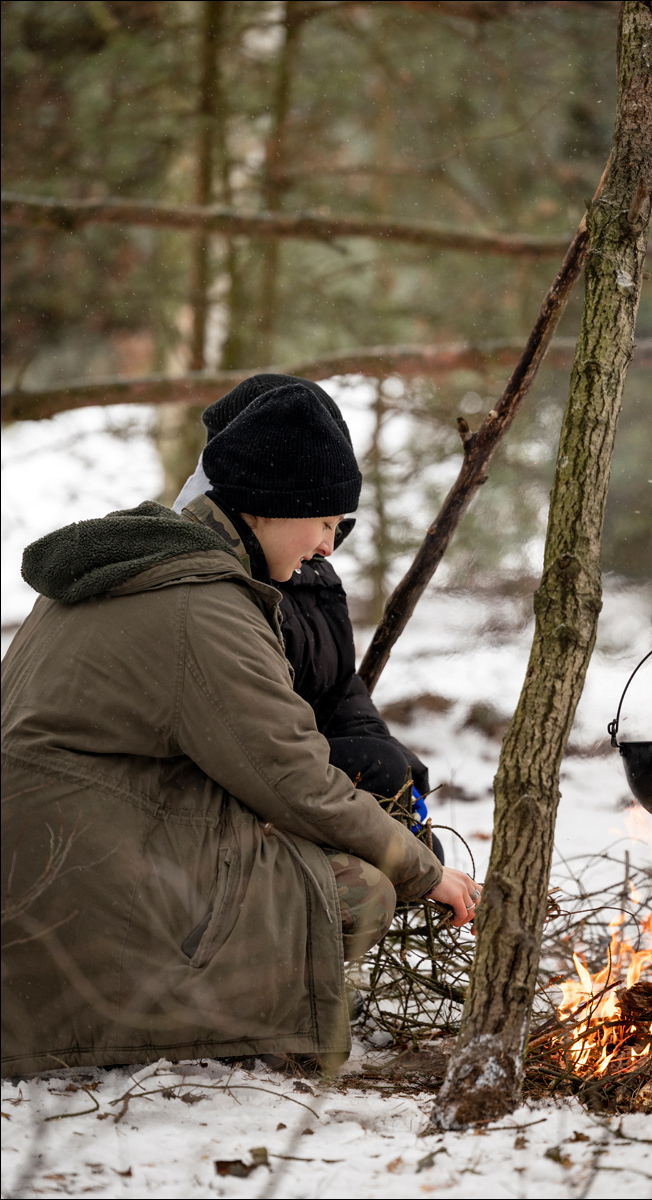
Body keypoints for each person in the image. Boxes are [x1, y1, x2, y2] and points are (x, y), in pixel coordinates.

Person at [1, 383, 481, 1078]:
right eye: (323, 522)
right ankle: (201, 1027)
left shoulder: (141, 561)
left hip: (45, 865)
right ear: (268, 507)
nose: (327, 545)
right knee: (356, 892)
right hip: (80, 890)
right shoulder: (202, 606)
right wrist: (423, 870)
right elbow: (294, 779)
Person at [174, 373, 444, 861]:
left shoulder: (310, 570)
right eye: (322, 521)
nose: (328, 545)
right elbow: (260, 752)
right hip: (236, 813)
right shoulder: (211, 589)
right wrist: (363, 779)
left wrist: (388, 770)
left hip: (298, 788)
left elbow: (337, 688)